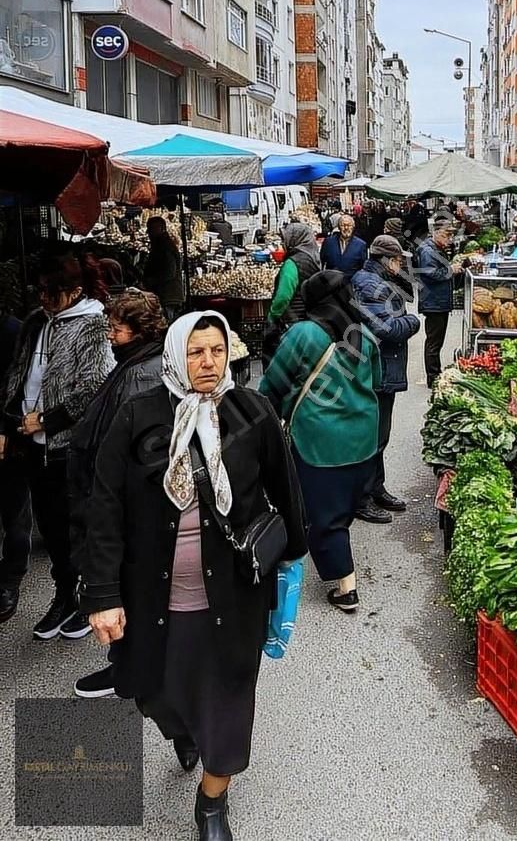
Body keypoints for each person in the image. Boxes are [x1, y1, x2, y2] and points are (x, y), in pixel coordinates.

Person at [82, 312, 306, 841]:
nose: (208, 363)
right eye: (196, 352)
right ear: (176, 353)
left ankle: (211, 803)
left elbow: (286, 489)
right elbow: (104, 507)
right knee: (155, 694)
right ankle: (182, 730)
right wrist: (102, 594)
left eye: (217, 351)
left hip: (232, 595)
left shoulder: (251, 411)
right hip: (152, 594)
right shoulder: (139, 417)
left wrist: (290, 562)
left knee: (228, 698)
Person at [1, 254, 114, 640]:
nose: (45, 298)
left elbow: (96, 384)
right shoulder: (36, 322)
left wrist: (49, 420)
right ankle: (63, 596)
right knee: (50, 529)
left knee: (75, 528)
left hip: (70, 446)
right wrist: (11, 422)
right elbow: (19, 375)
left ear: (74, 291)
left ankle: (85, 600)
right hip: (31, 444)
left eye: (53, 292)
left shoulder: (94, 325)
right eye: (41, 291)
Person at [259, 271, 380, 614]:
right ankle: (336, 549)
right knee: (341, 505)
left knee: (323, 516)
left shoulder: (304, 333)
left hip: (320, 440)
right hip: (364, 439)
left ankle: (346, 588)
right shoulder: (364, 335)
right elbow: (378, 381)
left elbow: (273, 384)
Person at [68, 290, 167, 699]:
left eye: (116, 328)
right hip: (127, 502)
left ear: (140, 331)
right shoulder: (136, 363)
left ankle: (132, 672)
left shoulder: (142, 374)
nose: (110, 335)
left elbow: (130, 447)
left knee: (134, 590)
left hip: (130, 507)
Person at [351, 236, 421, 523]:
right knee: (372, 438)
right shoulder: (370, 284)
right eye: (397, 259)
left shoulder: (372, 280)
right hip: (377, 370)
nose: (401, 263)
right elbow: (387, 328)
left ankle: (376, 488)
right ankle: (362, 498)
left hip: (382, 368)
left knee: (380, 436)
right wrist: (413, 322)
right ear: (384, 259)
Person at [262, 222, 321, 367]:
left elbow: (283, 297)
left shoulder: (293, 263)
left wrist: (272, 317)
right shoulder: (312, 257)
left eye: (285, 239)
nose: (283, 243)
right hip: (307, 318)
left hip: (290, 320)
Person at [0, 303, 26, 626]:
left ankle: (9, 579)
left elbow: (17, 384)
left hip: (8, 437)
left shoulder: (12, 331)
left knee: (13, 511)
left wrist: (5, 428)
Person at [417, 223, 461, 387]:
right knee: (434, 341)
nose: (448, 240)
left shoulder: (434, 248)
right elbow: (430, 273)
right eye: (445, 235)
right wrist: (451, 270)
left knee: (437, 340)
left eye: (450, 236)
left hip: (438, 301)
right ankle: (433, 377)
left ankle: (435, 373)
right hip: (433, 302)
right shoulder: (428, 251)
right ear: (435, 233)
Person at [143, 216, 185, 319]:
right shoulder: (160, 245)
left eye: (151, 229)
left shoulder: (164, 247)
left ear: (161, 229)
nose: (148, 232)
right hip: (166, 294)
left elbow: (170, 272)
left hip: (168, 294)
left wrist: (150, 281)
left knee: (167, 322)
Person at [321, 214, 368, 282]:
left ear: (353, 227)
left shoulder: (361, 245)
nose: (346, 228)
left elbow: (363, 267)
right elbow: (322, 262)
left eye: (349, 225)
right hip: (331, 283)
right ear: (339, 227)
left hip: (351, 284)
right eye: (343, 225)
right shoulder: (328, 242)